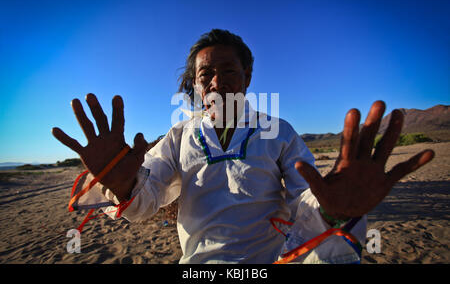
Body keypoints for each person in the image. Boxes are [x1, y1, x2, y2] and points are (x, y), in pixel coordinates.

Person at [52, 29, 435, 263]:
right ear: (196, 86)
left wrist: (333, 211)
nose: (217, 81)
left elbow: (307, 197)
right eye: (206, 75)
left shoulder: (278, 132)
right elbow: (147, 196)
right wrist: (123, 184)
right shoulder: (179, 137)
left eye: (229, 70)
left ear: (247, 77)